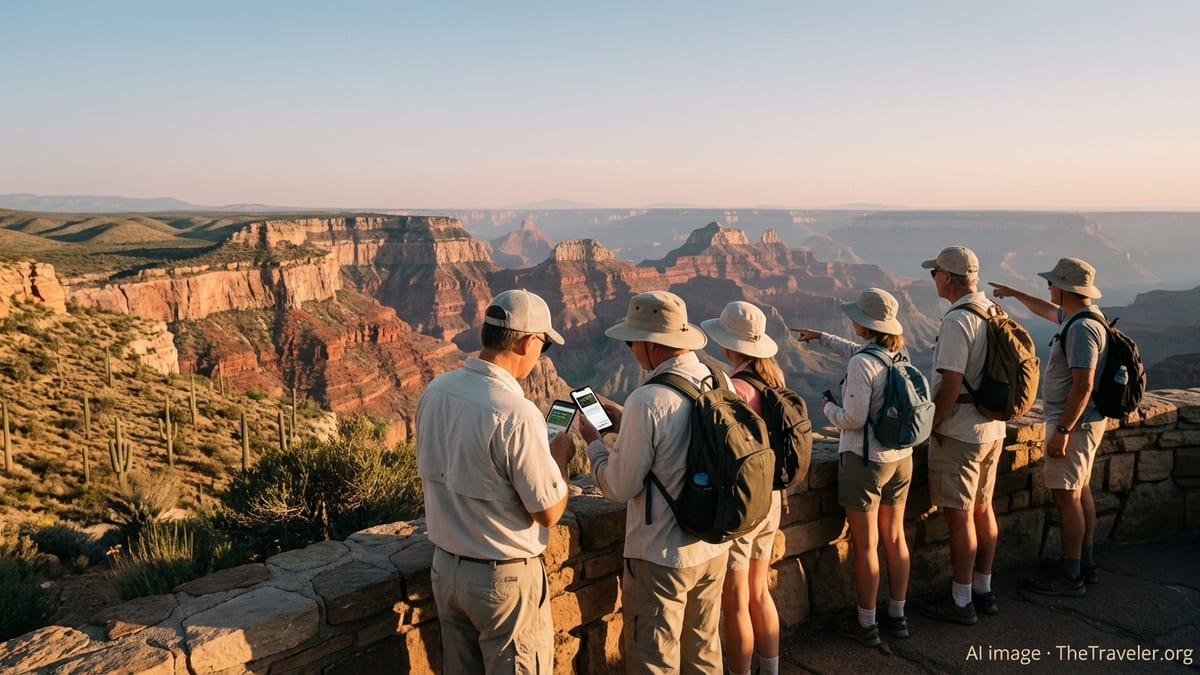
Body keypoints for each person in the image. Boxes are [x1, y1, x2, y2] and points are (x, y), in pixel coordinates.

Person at [415, 289, 577, 673]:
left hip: (446, 571)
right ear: (527, 341)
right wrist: (561, 460)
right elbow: (549, 511)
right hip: (501, 581)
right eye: (545, 345)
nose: (541, 356)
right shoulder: (516, 413)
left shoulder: (434, 391)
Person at [579, 290, 729, 674]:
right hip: (713, 545)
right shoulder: (717, 379)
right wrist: (625, 421)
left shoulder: (648, 401)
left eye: (632, 341)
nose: (630, 350)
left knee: (654, 662)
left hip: (663, 557)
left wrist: (594, 444)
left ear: (650, 344)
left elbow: (618, 486)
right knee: (705, 652)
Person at [791, 288, 912, 647]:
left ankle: (866, 624)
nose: (850, 320)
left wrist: (827, 407)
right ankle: (898, 615)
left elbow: (853, 418)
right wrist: (822, 338)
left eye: (855, 316)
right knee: (895, 537)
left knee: (866, 545)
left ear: (865, 323)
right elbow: (858, 352)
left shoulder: (863, 363)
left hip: (866, 463)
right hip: (901, 459)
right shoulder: (897, 352)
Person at [990, 258, 1108, 596]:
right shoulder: (1082, 315)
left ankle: (1071, 576)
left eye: (1052, 283)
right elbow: (1047, 310)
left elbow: (1083, 385)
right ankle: (1085, 563)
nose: (1048, 287)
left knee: (1066, 497)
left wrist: (1064, 430)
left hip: (1075, 424)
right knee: (1080, 490)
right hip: (1086, 422)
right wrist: (1014, 293)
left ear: (1066, 288)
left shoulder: (1083, 329)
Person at [918, 247, 1008, 625]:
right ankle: (983, 590)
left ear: (949, 278)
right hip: (992, 427)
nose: (932, 278)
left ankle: (960, 601)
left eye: (935, 272)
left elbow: (950, 384)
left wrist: (930, 426)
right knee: (984, 509)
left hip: (961, 432)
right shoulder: (993, 311)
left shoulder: (958, 321)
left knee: (960, 519)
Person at [700, 301, 783, 675]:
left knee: (736, 599)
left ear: (729, 344)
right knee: (760, 590)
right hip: (773, 497)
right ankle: (772, 668)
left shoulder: (732, 388)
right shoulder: (775, 381)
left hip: (744, 501)